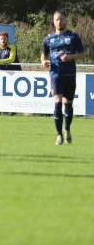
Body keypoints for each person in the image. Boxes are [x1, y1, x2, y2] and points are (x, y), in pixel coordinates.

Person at [41, 10, 85, 145]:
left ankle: (67, 129)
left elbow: (82, 54)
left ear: (65, 20)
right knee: (58, 103)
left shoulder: (73, 36)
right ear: (53, 22)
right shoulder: (48, 38)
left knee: (68, 104)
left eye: (61, 19)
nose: (59, 22)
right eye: (56, 20)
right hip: (55, 75)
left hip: (70, 75)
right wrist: (43, 62)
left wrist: (70, 57)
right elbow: (43, 54)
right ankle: (59, 135)